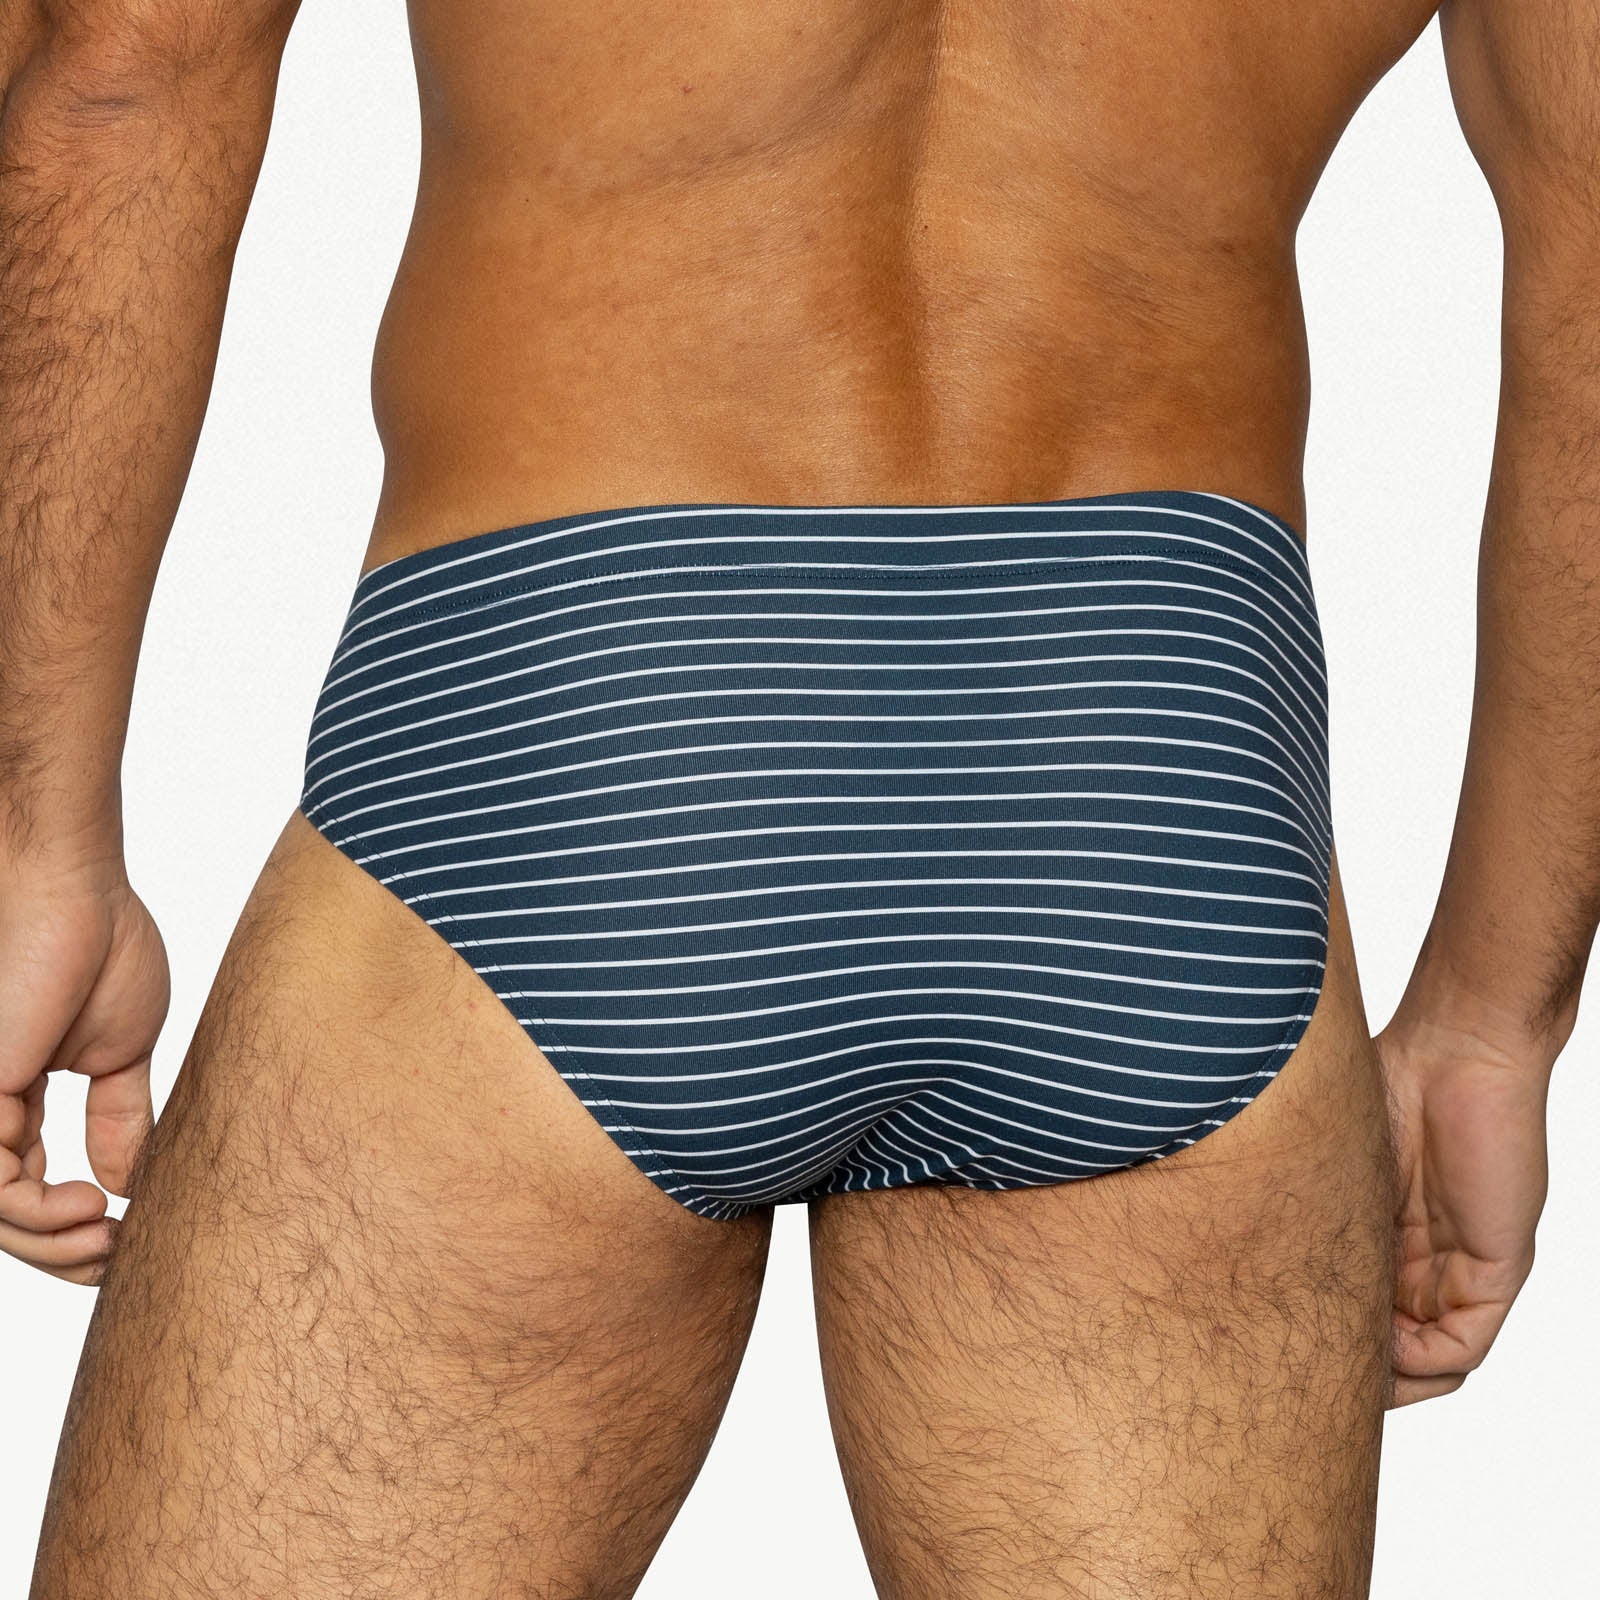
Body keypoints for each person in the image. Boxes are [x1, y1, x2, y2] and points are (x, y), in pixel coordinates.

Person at [0, 1, 1591, 1594]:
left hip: (593, 755)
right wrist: (1494, 1015)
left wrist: (35, 845)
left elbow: (127, 70)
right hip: (1150, 804)